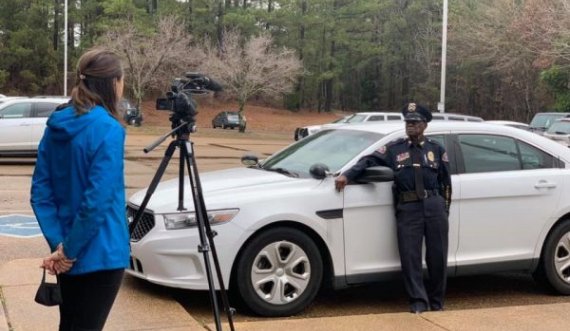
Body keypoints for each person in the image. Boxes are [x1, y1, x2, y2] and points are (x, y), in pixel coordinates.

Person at [31, 48, 130, 330]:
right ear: (112, 83)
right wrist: (68, 252)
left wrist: (59, 244)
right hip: (100, 253)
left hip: (65, 251)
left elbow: (40, 192)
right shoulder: (108, 129)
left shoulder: (56, 123)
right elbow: (96, 200)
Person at [335, 102, 452, 314]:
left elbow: (446, 183)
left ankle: (437, 303)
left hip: (434, 207)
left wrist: (445, 209)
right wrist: (347, 175)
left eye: (415, 122)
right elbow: (368, 160)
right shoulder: (395, 149)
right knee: (410, 258)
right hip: (408, 208)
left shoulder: (436, 149)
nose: (410, 126)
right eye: (408, 122)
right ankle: (418, 302)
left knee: (438, 257)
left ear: (425, 125)